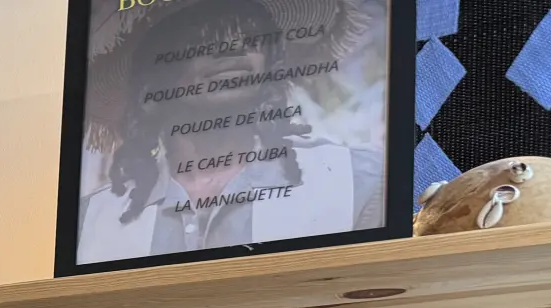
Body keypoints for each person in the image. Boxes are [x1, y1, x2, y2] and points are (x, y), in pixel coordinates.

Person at [77, 0, 387, 264]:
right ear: (151, 76)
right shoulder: (91, 222)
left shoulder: (356, 183)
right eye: (201, 35)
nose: (233, 46)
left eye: (250, 31)